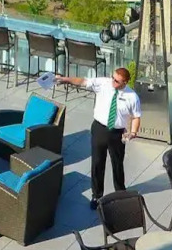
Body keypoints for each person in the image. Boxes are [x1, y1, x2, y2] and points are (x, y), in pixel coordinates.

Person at [56, 66, 142, 206]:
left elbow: (136, 116)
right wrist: (65, 79)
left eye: (117, 81)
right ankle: (96, 195)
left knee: (117, 163)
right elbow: (83, 81)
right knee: (97, 163)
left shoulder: (132, 97)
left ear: (125, 82)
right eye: (113, 78)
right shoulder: (103, 83)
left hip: (117, 133)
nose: (113, 82)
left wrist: (133, 132)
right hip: (99, 128)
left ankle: (120, 192)